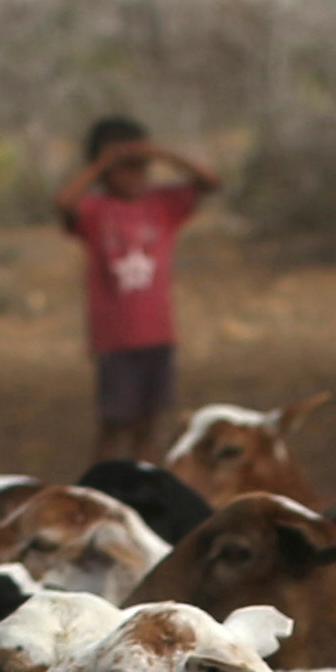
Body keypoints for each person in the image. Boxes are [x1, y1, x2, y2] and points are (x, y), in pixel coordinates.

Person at [56, 117, 221, 460]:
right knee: (114, 425)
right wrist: (103, 163)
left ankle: (144, 493)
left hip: (156, 333)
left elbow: (211, 181)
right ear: (102, 169)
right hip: (115, 339)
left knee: (148, 427)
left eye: (140, 166)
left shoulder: (160, 205)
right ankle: (98, 491)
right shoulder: (95, 210)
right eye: (123, 168)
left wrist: (160, 152)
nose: (134, 175)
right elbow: (63, 203)